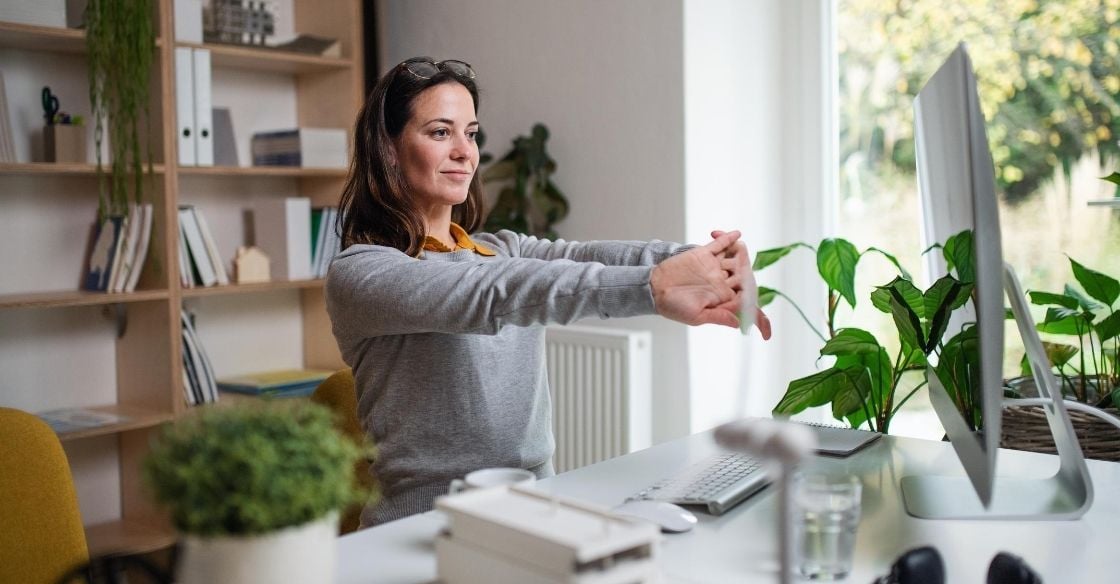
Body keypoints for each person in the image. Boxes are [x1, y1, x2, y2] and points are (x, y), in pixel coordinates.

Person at [326, 57, 772, 527]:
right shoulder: (363, 273)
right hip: (423, 524)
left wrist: (707, 258)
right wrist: (655, 287)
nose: (465, 152)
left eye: (471, 133)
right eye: (440, 132)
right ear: (389, 150)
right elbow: (493, 293)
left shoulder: (503, 248)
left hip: (536, 506)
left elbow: (588, 257)